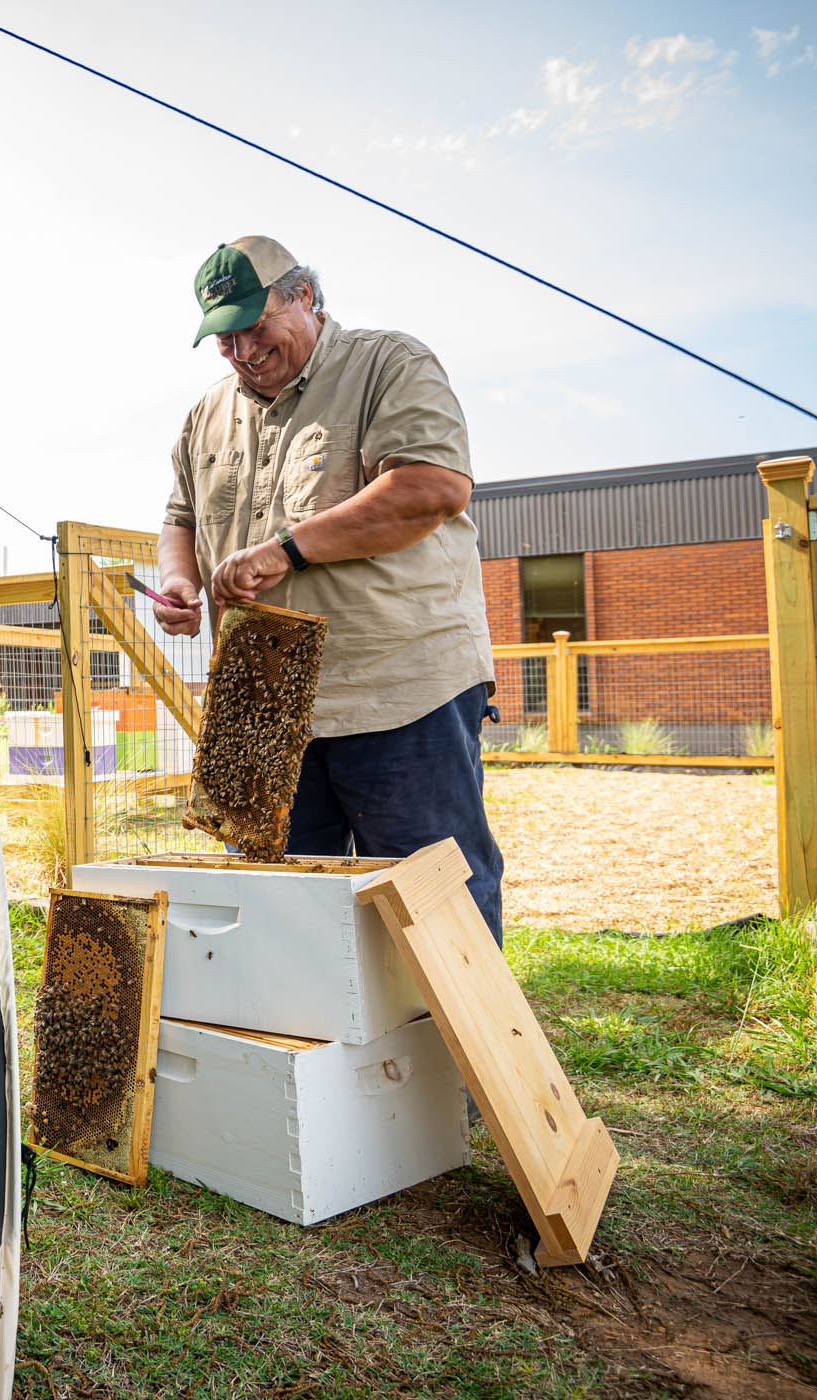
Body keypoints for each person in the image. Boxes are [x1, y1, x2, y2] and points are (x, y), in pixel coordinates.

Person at [151, 235, 504, 935]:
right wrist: (178, 580)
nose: (243, 350)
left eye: (256, 326)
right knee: (275, 913)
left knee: (430, 907)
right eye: (225, 339)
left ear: (304, 296)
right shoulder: (205, 415)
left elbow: (432, 489)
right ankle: (304, 1048)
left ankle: (447, 1049)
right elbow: (180, 518)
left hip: (396, 690)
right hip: (260, 704)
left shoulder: (388, 364)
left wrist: (286, 551)